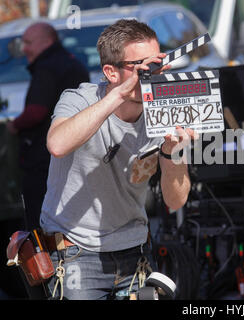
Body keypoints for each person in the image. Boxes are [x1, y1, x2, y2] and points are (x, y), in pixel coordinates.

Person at [38, 19, 195, 300]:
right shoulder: (79, 99)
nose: (152, 74)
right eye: (143, 68)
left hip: (135, 250)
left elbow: (175, 201)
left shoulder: (162, 112)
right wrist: (122, 93)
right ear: (110, 72)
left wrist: (173, 152)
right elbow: (57, 144)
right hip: (77, 252)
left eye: (157, 64)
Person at [6, 22, 90, 231]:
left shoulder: (47, 67)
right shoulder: (74, 64)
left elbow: (36, 111)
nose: (24, 48)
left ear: (46, 41)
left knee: (38, 224)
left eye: (28, 42)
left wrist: (14, 125)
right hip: (76, 156)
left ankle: (46, 263)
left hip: (42, 160)